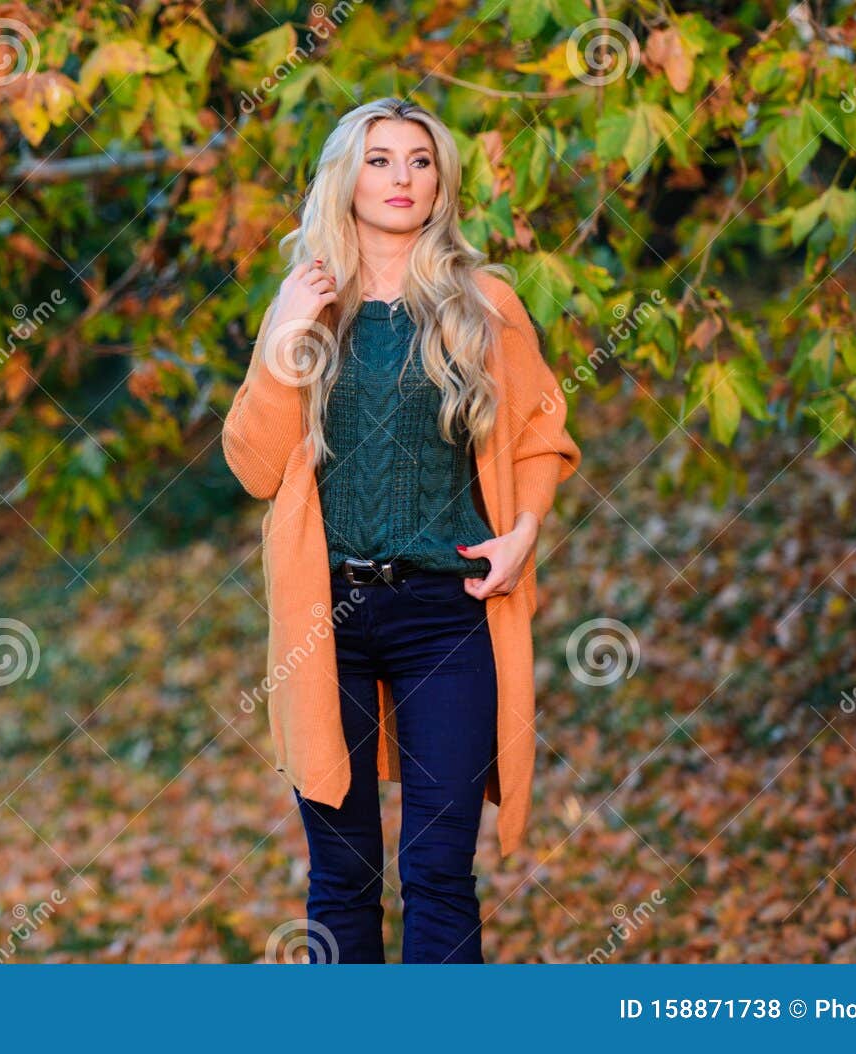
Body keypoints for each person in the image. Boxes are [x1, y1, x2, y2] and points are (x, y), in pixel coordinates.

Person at [221, 96, 582, 963]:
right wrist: (282, 347)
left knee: (437, 866)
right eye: (380, 159)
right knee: (340, 874)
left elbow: (541, 432)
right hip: (326, 617)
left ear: (441, 183)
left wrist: (524, 531)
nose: (401, 178)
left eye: (419, 161)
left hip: (446, 612)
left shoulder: (483, 302)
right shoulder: (307, 298)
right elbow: (253, 466)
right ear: (347, 178)